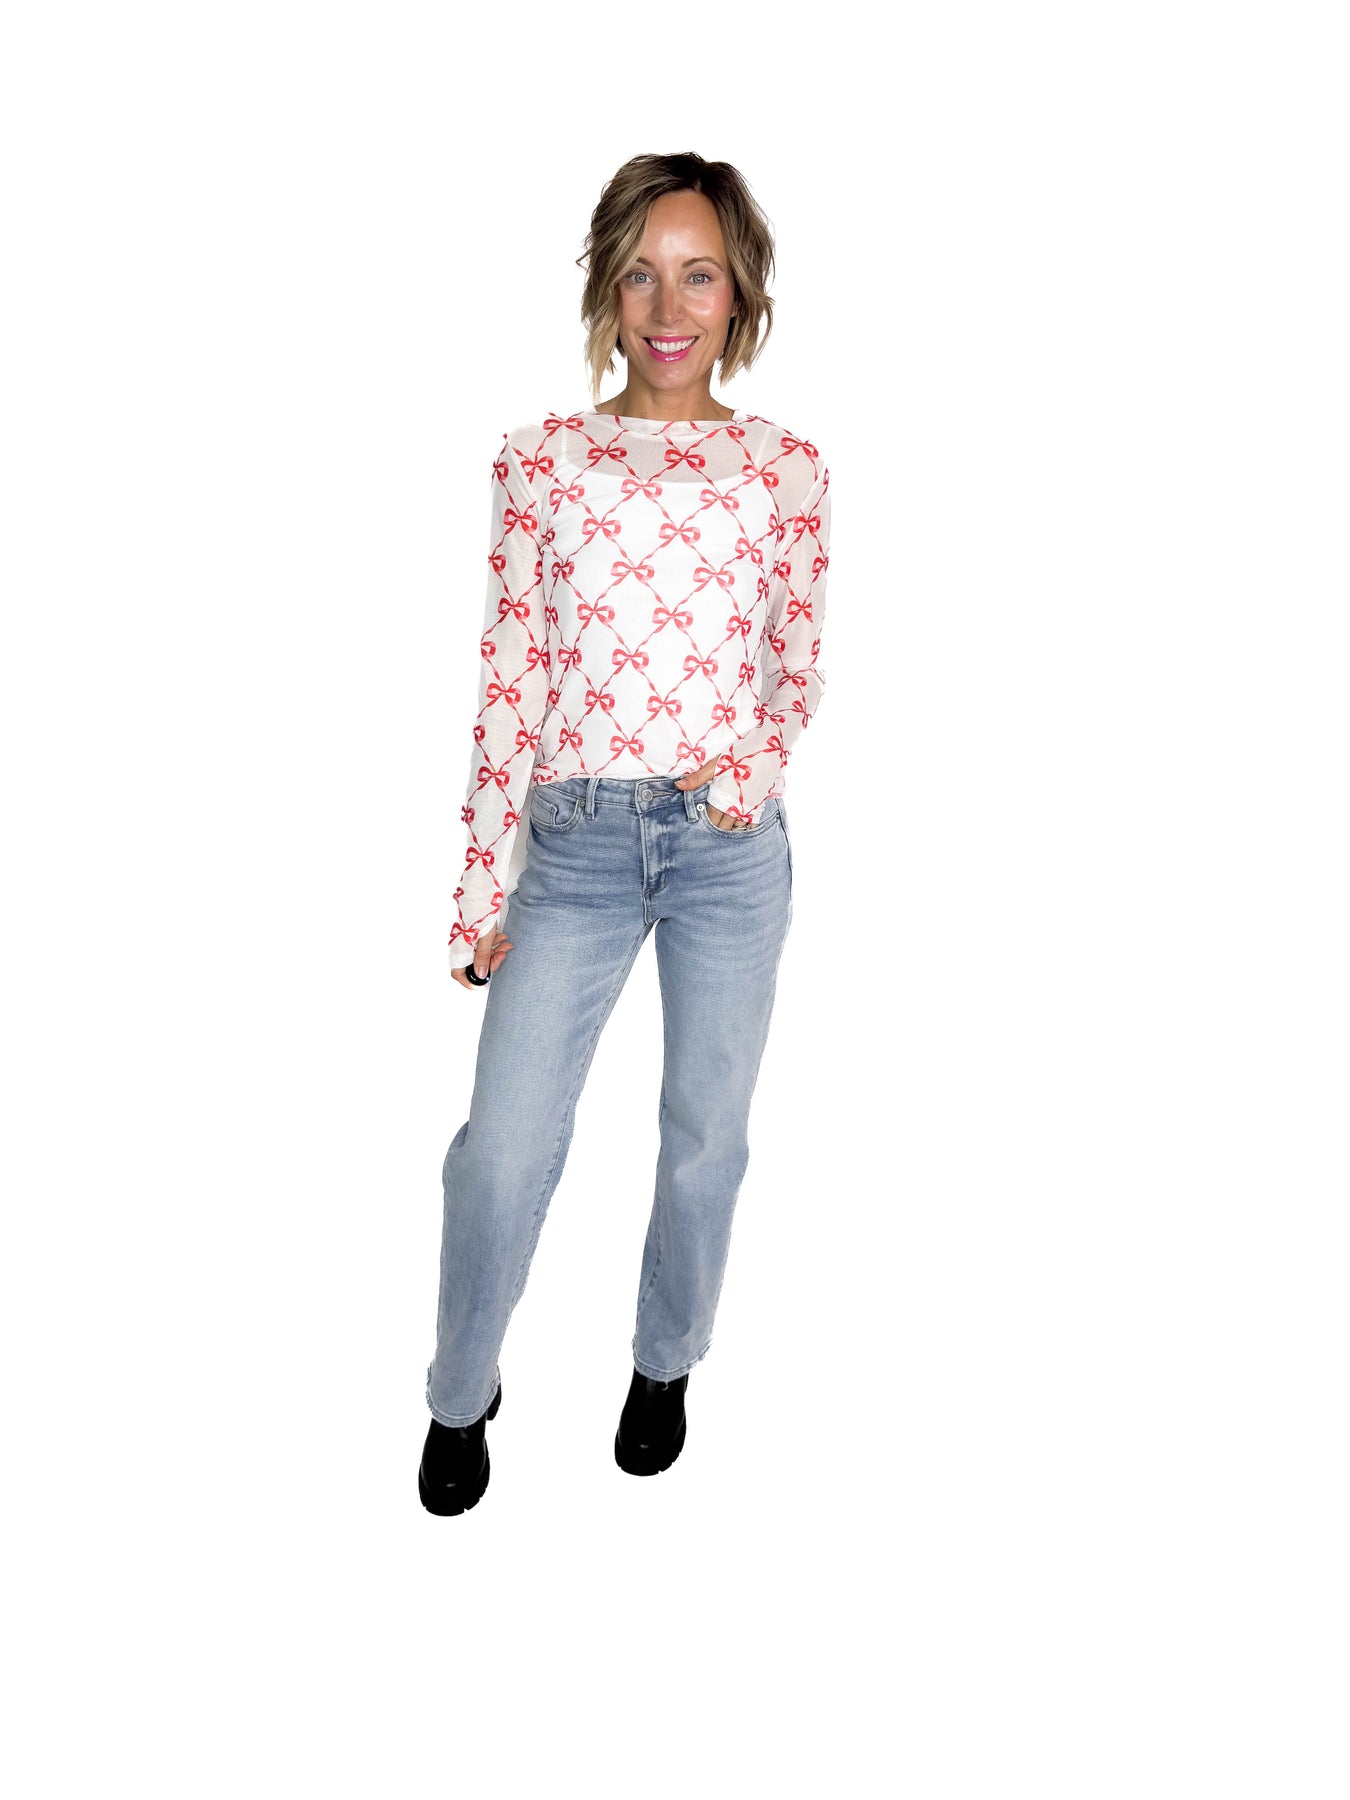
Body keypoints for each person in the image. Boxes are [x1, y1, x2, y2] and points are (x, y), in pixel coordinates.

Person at [419, 150, 832, 1515]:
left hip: (727, 851)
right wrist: (481, 885)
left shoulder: (785, 470)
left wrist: (747, 772)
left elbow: (793, 666)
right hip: (576, 845)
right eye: (643, 273)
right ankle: (460, 1390)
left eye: (698, 274)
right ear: (608, 284)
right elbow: (512, 675)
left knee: (706, 1133)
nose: (669, 306)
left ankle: (666, 1364)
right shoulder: (540, 460)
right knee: (500, 1150)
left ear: (738, 294)